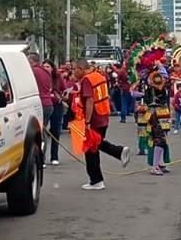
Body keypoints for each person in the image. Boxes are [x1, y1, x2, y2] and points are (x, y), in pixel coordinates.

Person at [75, 59, 131, 190]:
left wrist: (87, 121)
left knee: (91, 149)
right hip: (103, 115)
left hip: (94, 118)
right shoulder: (98, 76)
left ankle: (96, 180)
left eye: (74, 69)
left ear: (80, 68)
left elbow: (89, 100)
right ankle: (119, 152)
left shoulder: (86, 80)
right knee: (97, 143)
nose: (73, 72)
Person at [29, 53, 55, 165]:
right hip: (48, 104)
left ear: (31, 61)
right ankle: (42, 158)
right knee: (42, 131)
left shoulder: (33, 71)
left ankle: (40, 158)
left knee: (38, 133)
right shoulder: (46, 72)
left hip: (39, 105)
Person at [43, 59, 65, 166]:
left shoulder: (58, 77)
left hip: (57, 106)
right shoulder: (41, 77)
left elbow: (65, 90)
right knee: (42, 132)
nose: (46, 69)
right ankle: (41, 158)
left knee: (56, 131)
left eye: (48, 66)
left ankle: (54, 156)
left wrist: (61, 96)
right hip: (45, 106)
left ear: (52, 68)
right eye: (44, 67)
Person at [148, 111, 168, 176]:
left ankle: (160, 164)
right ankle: (155, 167)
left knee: (163, 142)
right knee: (159, 142)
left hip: (162, 116)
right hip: (156, 119)